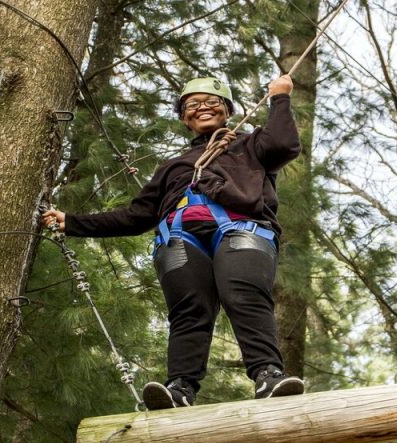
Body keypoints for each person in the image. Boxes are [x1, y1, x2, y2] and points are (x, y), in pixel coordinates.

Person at [42, 74, 303, 410]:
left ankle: (268, 375)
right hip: (180, 237)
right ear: (184, 118)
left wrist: (279, 98)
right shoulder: (171, 168)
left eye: (212, 102)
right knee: (189, 312)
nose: (203, 108)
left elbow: (285, 145)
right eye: (193, 104)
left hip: (241, 229)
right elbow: (137, 215)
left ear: (227, 111)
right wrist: (73, 223)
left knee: (243, 295)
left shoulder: (251, 145)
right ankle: (179, 389)